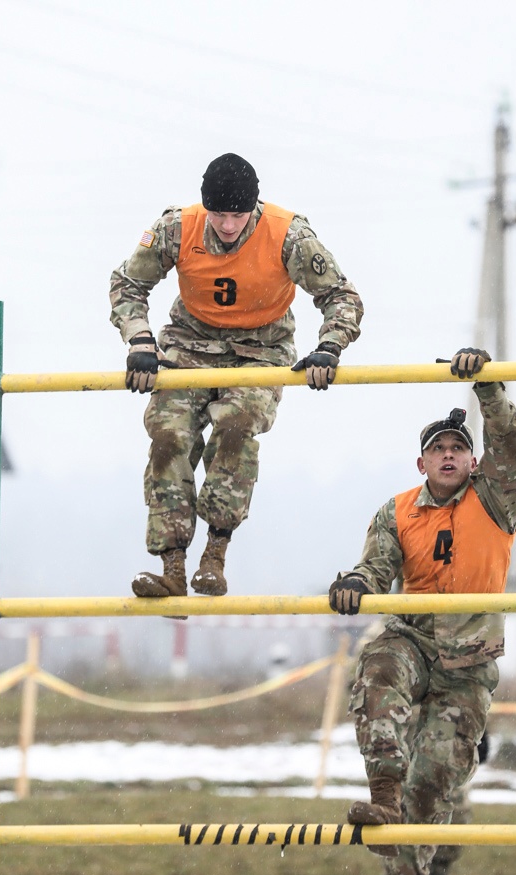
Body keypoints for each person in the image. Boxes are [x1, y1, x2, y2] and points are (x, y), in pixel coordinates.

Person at [329, 346, 516, 875]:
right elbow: (377, 565)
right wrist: (357, 582)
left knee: (437, 781)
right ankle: (383, 791)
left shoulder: (495, 499)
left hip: (468, 660)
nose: (448, 455)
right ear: (422, 462)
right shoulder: (397, 510)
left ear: (472, 461)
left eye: (457, 448)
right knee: (379, 665)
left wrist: (488, 386)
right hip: (414, 637)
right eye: (437, 448)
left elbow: (511, 444)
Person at [109, 153, 363, 599]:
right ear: (206, 208)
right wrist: (140, 341)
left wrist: (329, 346)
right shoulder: (177, 228)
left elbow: (341, 296)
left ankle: (215, 554)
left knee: (236, 425)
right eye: (219, 215)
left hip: (260, 350)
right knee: (168, 436)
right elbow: (128, 283)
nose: (228, 226)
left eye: (238, 216)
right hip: (189, 344)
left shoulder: (289, 235)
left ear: (254, 209)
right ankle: (172, 567)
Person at [349, 623, 489, 875]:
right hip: (400, 730)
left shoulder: (453, 621)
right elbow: (365, 678)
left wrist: (483, 727)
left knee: (454, 807)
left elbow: (472, 676)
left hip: (444, 725)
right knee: (400, 806)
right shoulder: (383, 628)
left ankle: (437, 871)